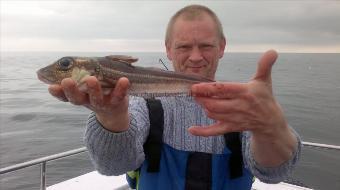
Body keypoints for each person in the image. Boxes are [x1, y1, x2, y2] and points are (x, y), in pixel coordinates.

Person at [48, 4, 301, 190]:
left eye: (206, 46)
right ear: (168, 49)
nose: (195, 57)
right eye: (183, 47)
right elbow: (112, 166)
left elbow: (273, 173)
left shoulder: (242, 106)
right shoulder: (141, 104)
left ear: (222, 47)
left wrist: (271, 129)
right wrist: (111, 117)